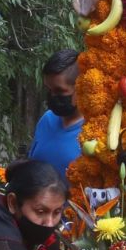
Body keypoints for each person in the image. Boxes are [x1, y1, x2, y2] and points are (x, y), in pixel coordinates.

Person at [28, 49, 83, 186]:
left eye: (59, 90)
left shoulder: (95, 131)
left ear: (81, 87)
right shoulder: (47, 119)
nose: (52, 96)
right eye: (49, 89)